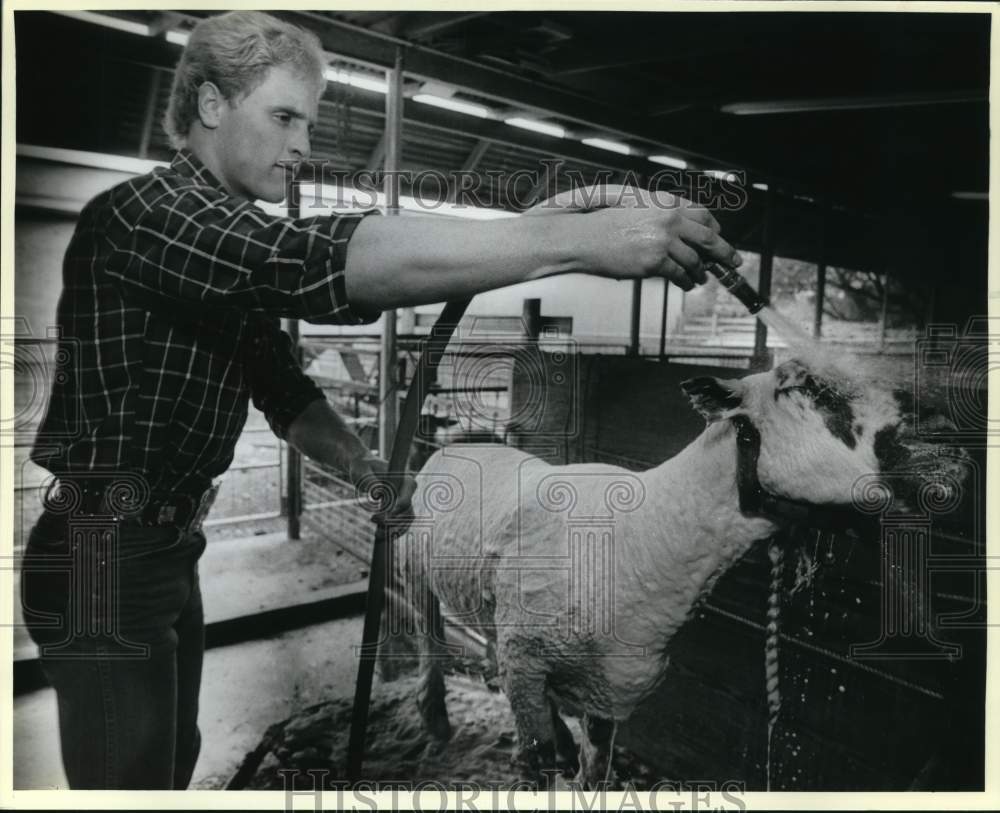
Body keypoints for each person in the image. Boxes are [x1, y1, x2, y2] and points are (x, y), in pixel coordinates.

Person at [19, 10, 742, 790]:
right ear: (211, 104)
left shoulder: (216, 248)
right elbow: (306, 261)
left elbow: (285, 391)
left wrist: (367, 470)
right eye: (284, 117)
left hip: (165, 548)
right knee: (127, 783)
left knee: (170, 760)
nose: (303, 143)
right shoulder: (144, 218)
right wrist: (575, 240)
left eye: (309, 122)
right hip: (104, 551)